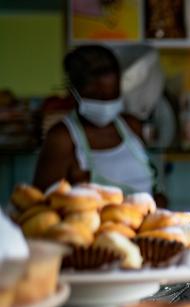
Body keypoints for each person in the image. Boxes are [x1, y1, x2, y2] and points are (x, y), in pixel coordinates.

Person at [34, 45, 156, 195]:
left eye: (112, 96)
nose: (106, 104)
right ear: (74, 93)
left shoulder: (131, 126)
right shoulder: (62, 139)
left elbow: (154, 183)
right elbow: (41, 205)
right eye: (98, 98)